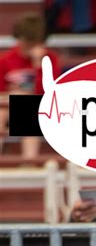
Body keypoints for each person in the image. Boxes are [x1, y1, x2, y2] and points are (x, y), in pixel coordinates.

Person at [0, 13, 60, 160]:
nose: (31, 47)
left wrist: (38, 64)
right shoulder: (5, 60)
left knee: (28, 107)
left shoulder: (49, 59)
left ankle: (29, 162)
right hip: (7, 106)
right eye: (27, 41)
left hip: (37, 106)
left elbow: (49, 91)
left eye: (35, 43)